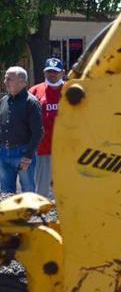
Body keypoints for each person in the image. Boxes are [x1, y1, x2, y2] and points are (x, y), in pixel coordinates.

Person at [0, 67, 42, 194]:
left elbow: (38, 132)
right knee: (6, 194)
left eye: (9, 79)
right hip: (4, 154)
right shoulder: (4, 101)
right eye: (5, 78)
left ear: (22, 82)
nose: (4, 81)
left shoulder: (31, 102)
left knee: (28, 194)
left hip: (23, 155)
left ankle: (28, 215)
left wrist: (28, 156)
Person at [28, 58, 64, 199]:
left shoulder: (70, 90)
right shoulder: (35, 91)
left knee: (63, 191)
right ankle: (41, 219)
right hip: (43, 148)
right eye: (49, 71)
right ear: (44, 72)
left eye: (55, 72)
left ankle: (62, 220)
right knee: (41, 191)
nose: (52, 75)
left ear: (62, 72)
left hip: (66, 150)